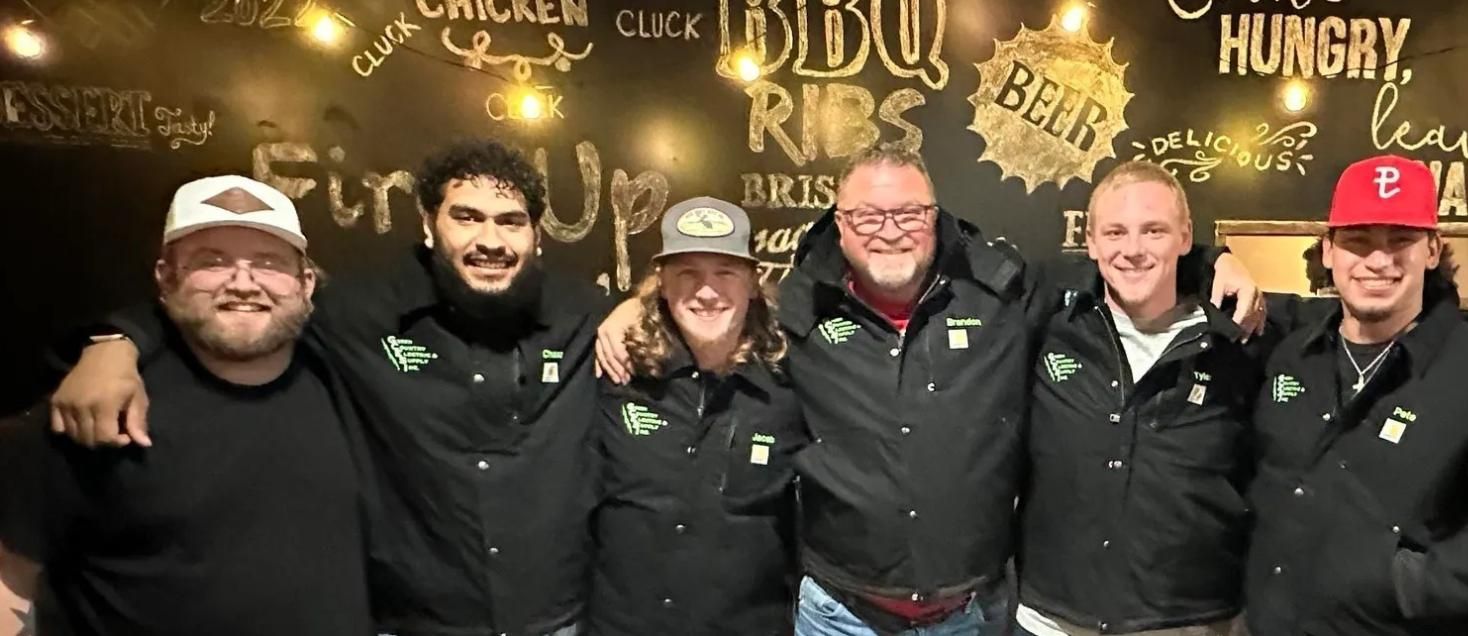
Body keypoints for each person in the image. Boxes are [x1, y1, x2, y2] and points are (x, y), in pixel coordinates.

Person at [595, 146, 1265, 636]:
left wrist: (1210, 260)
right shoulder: (799, 307)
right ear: (838, 223)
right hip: (840, 614)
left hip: (971, 614)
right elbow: (712, 308)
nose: (889, 230)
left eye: (909, 214)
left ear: (936, 217)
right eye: (868, 216)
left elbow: (1122, 264)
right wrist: (633, 309)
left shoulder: (1002, 292)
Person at [49, 140, 608, 636]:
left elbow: (651, 316)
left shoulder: (580, 312)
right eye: (466, 217)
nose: (490, 240)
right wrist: (116, 341)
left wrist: (632, 308)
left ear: (536, 236)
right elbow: (239, 309)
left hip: (556, 621)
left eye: (510, 222)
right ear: (428, 224)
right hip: (411, 622)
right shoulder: (357, 313)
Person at [0, 175, 370, 635]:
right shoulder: (91, 408)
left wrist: (117, 339)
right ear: (166, 278)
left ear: (306, 283)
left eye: (268, 263)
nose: (243, 283)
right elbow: (10, 582)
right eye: (212, 262)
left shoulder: (351, 386)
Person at [1241, 155, 1468, 635]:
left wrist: (1410, 581)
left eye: (1400, 240)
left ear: (1432, 250)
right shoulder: (1292, 355)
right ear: (1328, 251)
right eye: (1358, 240)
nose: (1378, 261)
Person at [1015, 161, 1299, 636]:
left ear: (1185, 238)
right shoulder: (1050, 318)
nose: (1132, 250)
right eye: (1115, 232)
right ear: (1090, 242)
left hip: (1191, 623)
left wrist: (1213, 260)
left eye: (1154, 231)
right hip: (1050, 622)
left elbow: (1356, 318)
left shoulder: (1242, 334)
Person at [590, 196, 803, 635]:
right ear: (662, 284)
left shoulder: (793, 383)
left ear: (753, 283)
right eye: (688, 273)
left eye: (725, 273)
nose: (707, 292)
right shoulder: (614, 369)